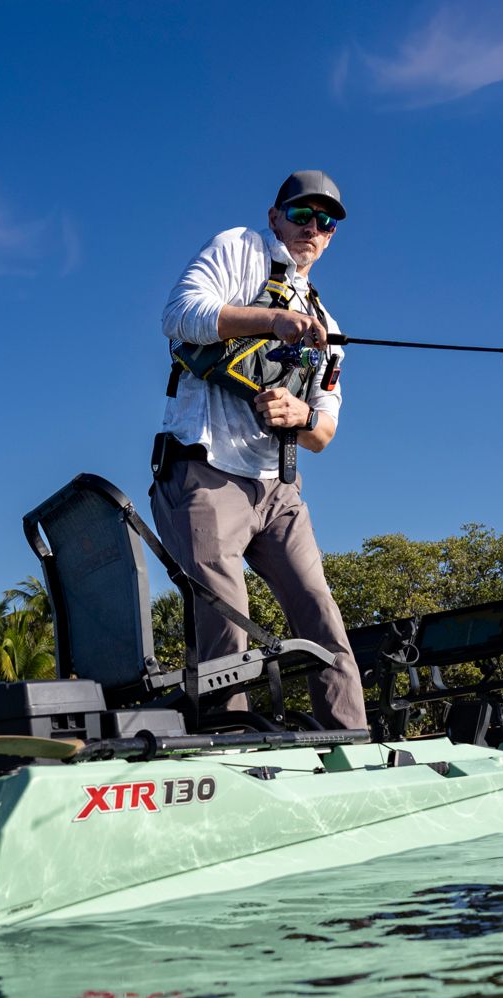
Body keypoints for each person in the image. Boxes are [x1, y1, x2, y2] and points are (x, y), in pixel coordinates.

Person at [150, 170, 368, 730]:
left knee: (321, 617)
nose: (312, 229)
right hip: (207, 469)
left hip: (280, 491)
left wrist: (300, 417)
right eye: (301, 215)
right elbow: (179, 315)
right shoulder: (240, 247)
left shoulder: (330, 325)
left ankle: (353, 745)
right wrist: (274, 320)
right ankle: (230, 748)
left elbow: (324, 430)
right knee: (227, 619)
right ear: (276, 217)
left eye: (326, 222)